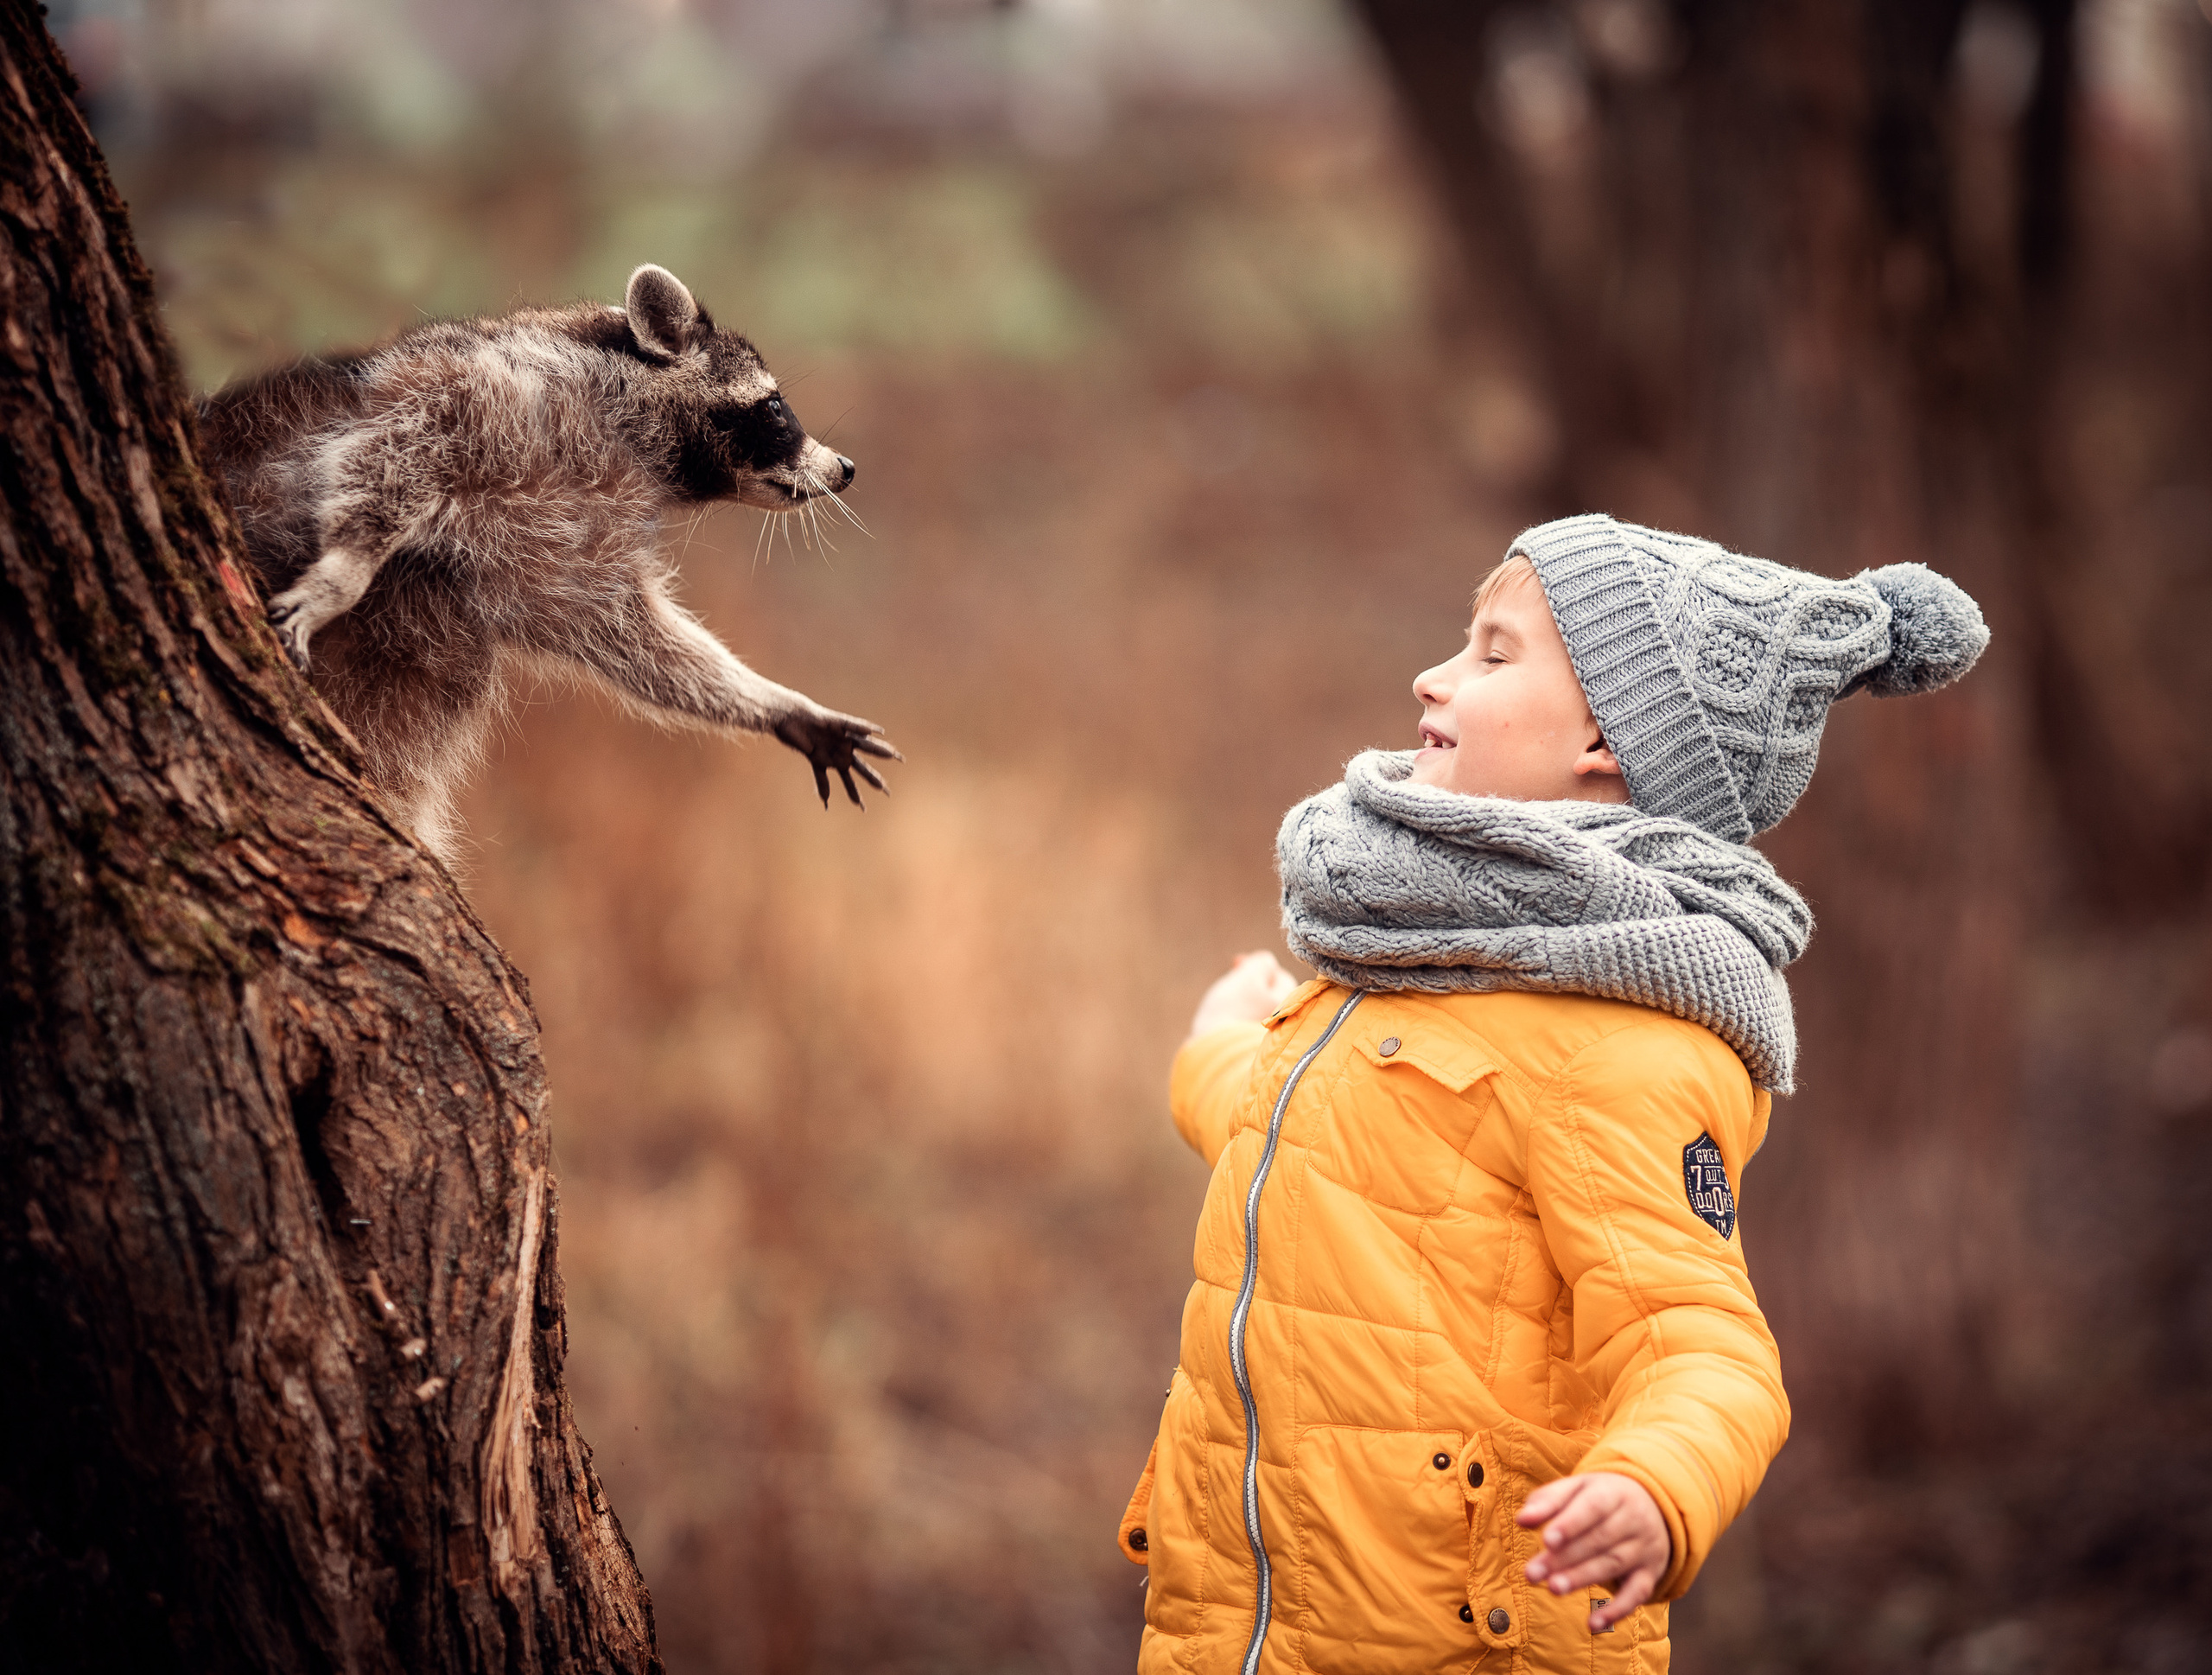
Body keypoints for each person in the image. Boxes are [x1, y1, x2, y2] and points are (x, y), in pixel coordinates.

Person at [1117, 513, 1990, 1672]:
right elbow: (1308, 1127)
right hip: (1247, 1621)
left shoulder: (1618, 1041)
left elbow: (1705, 1345)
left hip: (1455, 1638)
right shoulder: (1422, 954)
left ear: (1606, 740)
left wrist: (1653, 1484)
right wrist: (1216, 1040)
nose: (1432, 674)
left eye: (1493, 651)